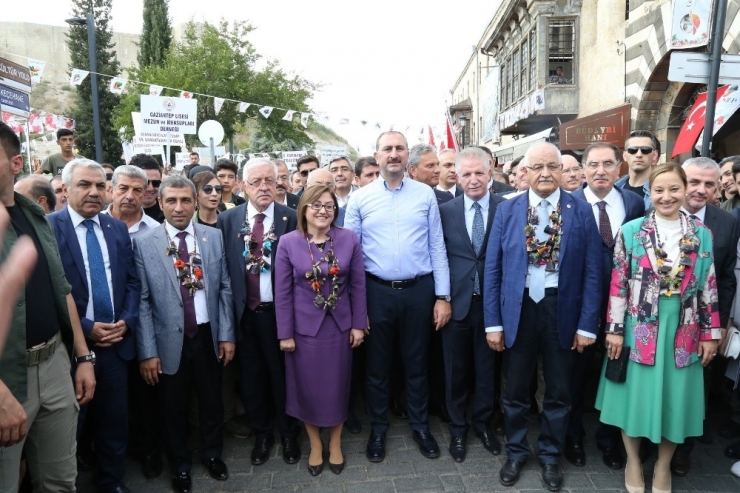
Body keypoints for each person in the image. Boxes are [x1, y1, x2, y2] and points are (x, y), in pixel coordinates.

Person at [484, 142, 602, 491]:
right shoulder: (508, 211)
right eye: (538, 167)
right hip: (518, 308)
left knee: (559, 390)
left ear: (563, 170)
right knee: (516, 389)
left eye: (553, 166)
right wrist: (493, 322)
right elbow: (493, 270)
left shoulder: (579, 211)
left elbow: (593, 272)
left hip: (560, 308)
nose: (546, 173)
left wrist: (586, 325)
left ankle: (551, 455)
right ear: (525, 171)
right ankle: (517, 451)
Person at [596, 162, 721, 493]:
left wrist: (711, 335)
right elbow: (618, 284)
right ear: (649, 194)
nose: (667, 196)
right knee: (634, 399)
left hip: (685, 329)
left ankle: (663, 466)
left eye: (674, 189)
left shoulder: (702, 234)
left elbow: (710, 287)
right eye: (659, 190)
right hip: (640, 328)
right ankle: (634, 462)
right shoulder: (632, 231)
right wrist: (614, 329)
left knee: (675, 400)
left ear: (684, 191)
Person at [345, 131, 451, 463]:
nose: (394, 154)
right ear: (376, 156)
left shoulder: (425, 195)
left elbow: (437, 246)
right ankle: (378, 429)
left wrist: (443, 296)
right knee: (377, 368)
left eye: (399, 148)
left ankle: (420, 426)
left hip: (419, 292)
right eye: (387, 149)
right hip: (376, 292)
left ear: (408, 157)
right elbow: (351, 255)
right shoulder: (360, 199)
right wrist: (356, 306)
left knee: (417, 364)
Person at [0, 122, 95, 493]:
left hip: (55, 364)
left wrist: (83, 358)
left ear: (15, 163)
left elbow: (62, 289)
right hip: (8, 378)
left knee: (59, 481)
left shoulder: (36, 216)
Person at [134, 175, 235, 493]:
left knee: (211, 401)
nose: (179, 208)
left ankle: (212, 455)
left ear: (195, 202)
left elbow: (225, 290)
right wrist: (148, 351)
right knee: (173, 407)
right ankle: (179, 466)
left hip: (207, 335)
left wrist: (227, 334)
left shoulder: (212, 237)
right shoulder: (144, 243)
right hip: (168, 341)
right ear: (160, 203)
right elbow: (143, 302)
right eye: (172, 201)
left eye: (186, 200)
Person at [49, 158, 140, 493]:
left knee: (114, 422)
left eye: (100, 185)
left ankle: (111, 482)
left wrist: (126, 322)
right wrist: (85, 327)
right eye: (85, 185)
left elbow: (132, 282)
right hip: (71, 348)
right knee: (69, 427)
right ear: (67, 187)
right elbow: (50, 293)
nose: (93, 192)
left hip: (115, 345)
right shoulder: (49, 228)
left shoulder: (115, 228)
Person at [275, 184, 368, 476]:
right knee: (308, 391)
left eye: (329, 206)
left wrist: (358, 324)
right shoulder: (288, 242)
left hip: (340, 328)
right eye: (316, 205)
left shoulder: (348, 238)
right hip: (303, 332)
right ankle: (315, 444)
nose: (322, 211)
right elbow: (283, 292)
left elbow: (358, 285)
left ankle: (336, 442)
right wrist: (285, 333)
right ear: (304, 208)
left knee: (337, 389)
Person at [218, 158, 302, 466]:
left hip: (280, 316)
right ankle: (262, 434)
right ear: (242, 185)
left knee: (283, 378)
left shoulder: (291, 218)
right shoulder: (228, 221)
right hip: (245, 315)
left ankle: (289, 433)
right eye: (256, 181)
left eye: (271, 179)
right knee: (252, 380)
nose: (265, 186)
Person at [568, 143, 645, 470]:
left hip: (623, 309)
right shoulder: (568, 204)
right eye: (594, 164)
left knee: (616, 374)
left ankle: (609, 440)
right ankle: (572, 438)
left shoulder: (634, 203)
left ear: (620, 167)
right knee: (574, 375)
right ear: (583, 169)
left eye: (608, 164)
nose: (601, 170)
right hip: (577, 306)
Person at [671, 157, 739, 476]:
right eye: (694, 182)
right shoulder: (652, 214)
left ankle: (683, 450)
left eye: (709, 184)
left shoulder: (726, 222)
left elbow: (726, 278)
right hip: (660, 322)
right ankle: (649, 442)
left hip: (702, 325)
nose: (700, 190)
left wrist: (719, 325)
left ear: (717, 189)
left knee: (695, 386)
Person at [438, 147, 505, 463]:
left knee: (487, 370)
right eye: (467, 173)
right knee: (455, 370)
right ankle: (457, 428)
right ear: (457, 176)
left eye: (480, 172)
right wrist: (442, 298)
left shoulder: (506, 208)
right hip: (457, 304)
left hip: (492, 306)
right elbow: (438, 257)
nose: (474, 179)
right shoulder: (445, 212)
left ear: (490, 171)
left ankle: (484, 424)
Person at [103, 165, 161, 239]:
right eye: (123, 188)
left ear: (144, 195)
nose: (130, 196)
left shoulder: (155, 230)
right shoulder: (94, 222)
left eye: (137, 190)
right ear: (111, 191)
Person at [615, 130, 660, 209]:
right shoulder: (614, 188)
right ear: (625, 156)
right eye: (633, 150)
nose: (639, 155)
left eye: (645, 150)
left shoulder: (660, 191)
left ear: (654, 155)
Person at [130, 154, 165, 222]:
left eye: (156, 183)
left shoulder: (168, 213)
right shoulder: (115, 213)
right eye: (145, 183)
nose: (150, 188)